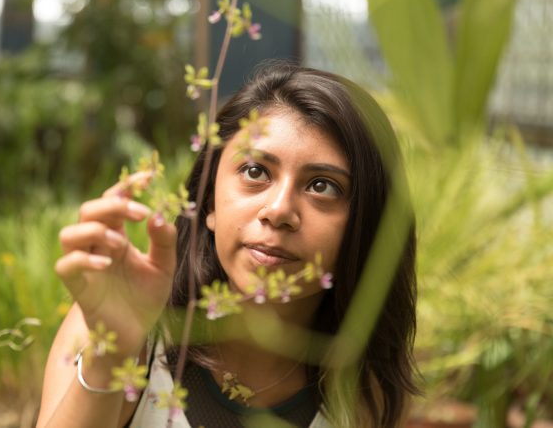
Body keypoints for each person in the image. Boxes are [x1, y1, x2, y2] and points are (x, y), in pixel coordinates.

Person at [36, 61, 419, 428]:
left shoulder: (366, 389)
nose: (279, 209)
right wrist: (111, 354)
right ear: (208, 202)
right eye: (255, 172)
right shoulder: (118, 325)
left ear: (368, 226)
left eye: (323, 186)